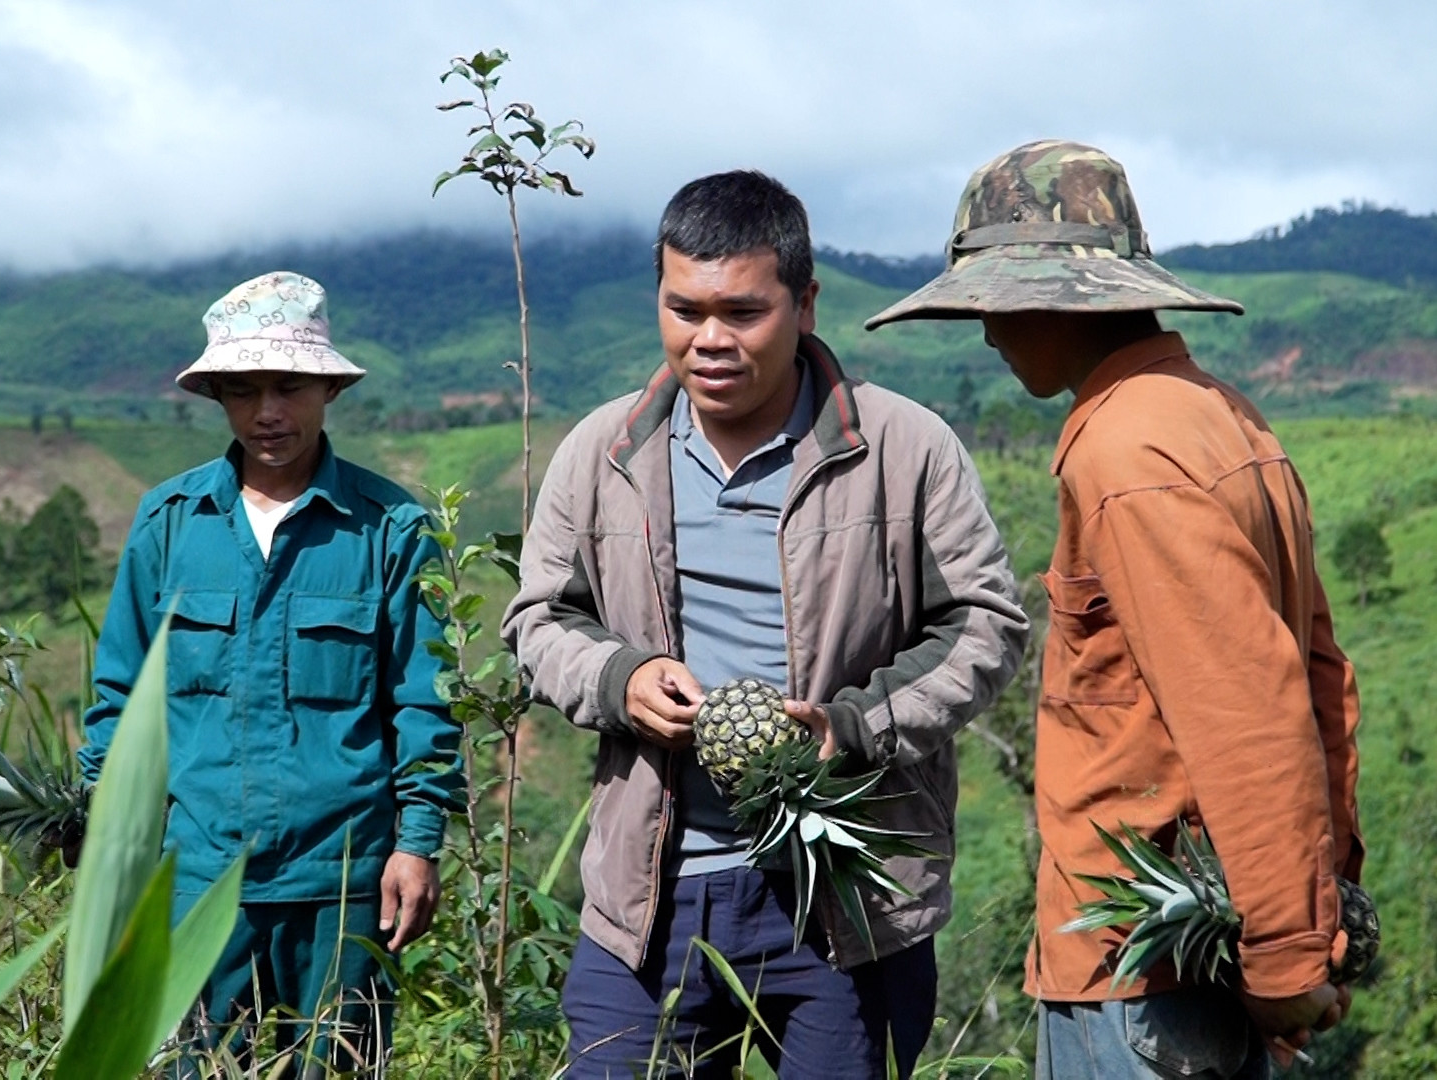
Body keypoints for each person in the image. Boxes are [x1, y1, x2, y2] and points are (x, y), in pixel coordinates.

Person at [502, 170, 1029, 1079]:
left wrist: (854, 725)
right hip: (650, 899)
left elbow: (985, 625)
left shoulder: (902, 449)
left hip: (849, 905)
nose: (710, 339)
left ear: (805, 303)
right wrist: (622, 680)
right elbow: (539, 620)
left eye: (743, 312)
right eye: (684, 310)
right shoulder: (604, 454)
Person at [865, 140, 1365, 1078]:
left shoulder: (1125, 451)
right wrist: (1318, 909)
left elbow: (1247, 712)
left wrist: (1286, 953)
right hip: (1198, 948)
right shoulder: (1221, 415)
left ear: (1049, 300)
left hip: (1141, 978)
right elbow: (1319, 683)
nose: (987, 334)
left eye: (992, 306)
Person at [79, 271, 462, 1073]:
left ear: (329, 389)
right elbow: (120, 698)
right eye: (243, 390)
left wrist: (418, 844)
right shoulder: (170, 524)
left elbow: (424, 705)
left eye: (289, 387)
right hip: (196, 876)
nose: (267, 412)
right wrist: (103, 839)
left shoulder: (389, 529)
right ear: (217, 395)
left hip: (343, 882)